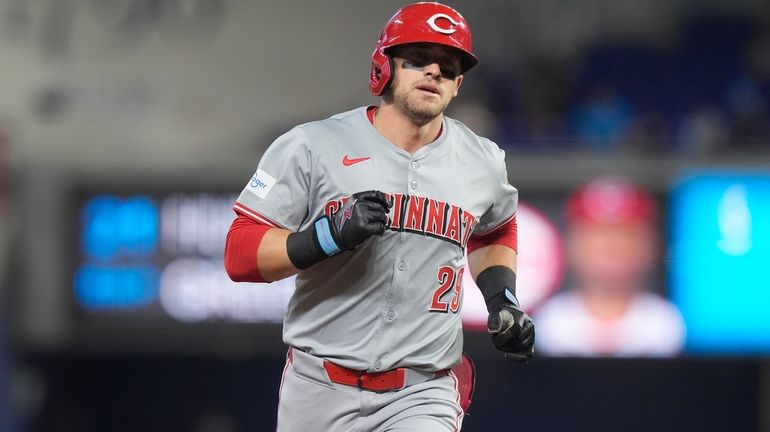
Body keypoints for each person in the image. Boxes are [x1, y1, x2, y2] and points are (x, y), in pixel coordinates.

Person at [223, 3, 534, 431]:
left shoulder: (482, 160)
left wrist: (502, 299)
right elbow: (239, 255)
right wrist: (325, 237)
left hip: (423, 389)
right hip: (318, 385)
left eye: (447, 66)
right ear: (384, 68)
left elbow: (495, 229)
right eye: (418, 60)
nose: (433, 72)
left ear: (458, 84)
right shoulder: (312, 145)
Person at [535, 175, 685, 357]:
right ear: (572, 243)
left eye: (625, 233)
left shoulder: (665, 322)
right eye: (597, 233)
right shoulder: (550, 322)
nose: (610, 245)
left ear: (649, 245)